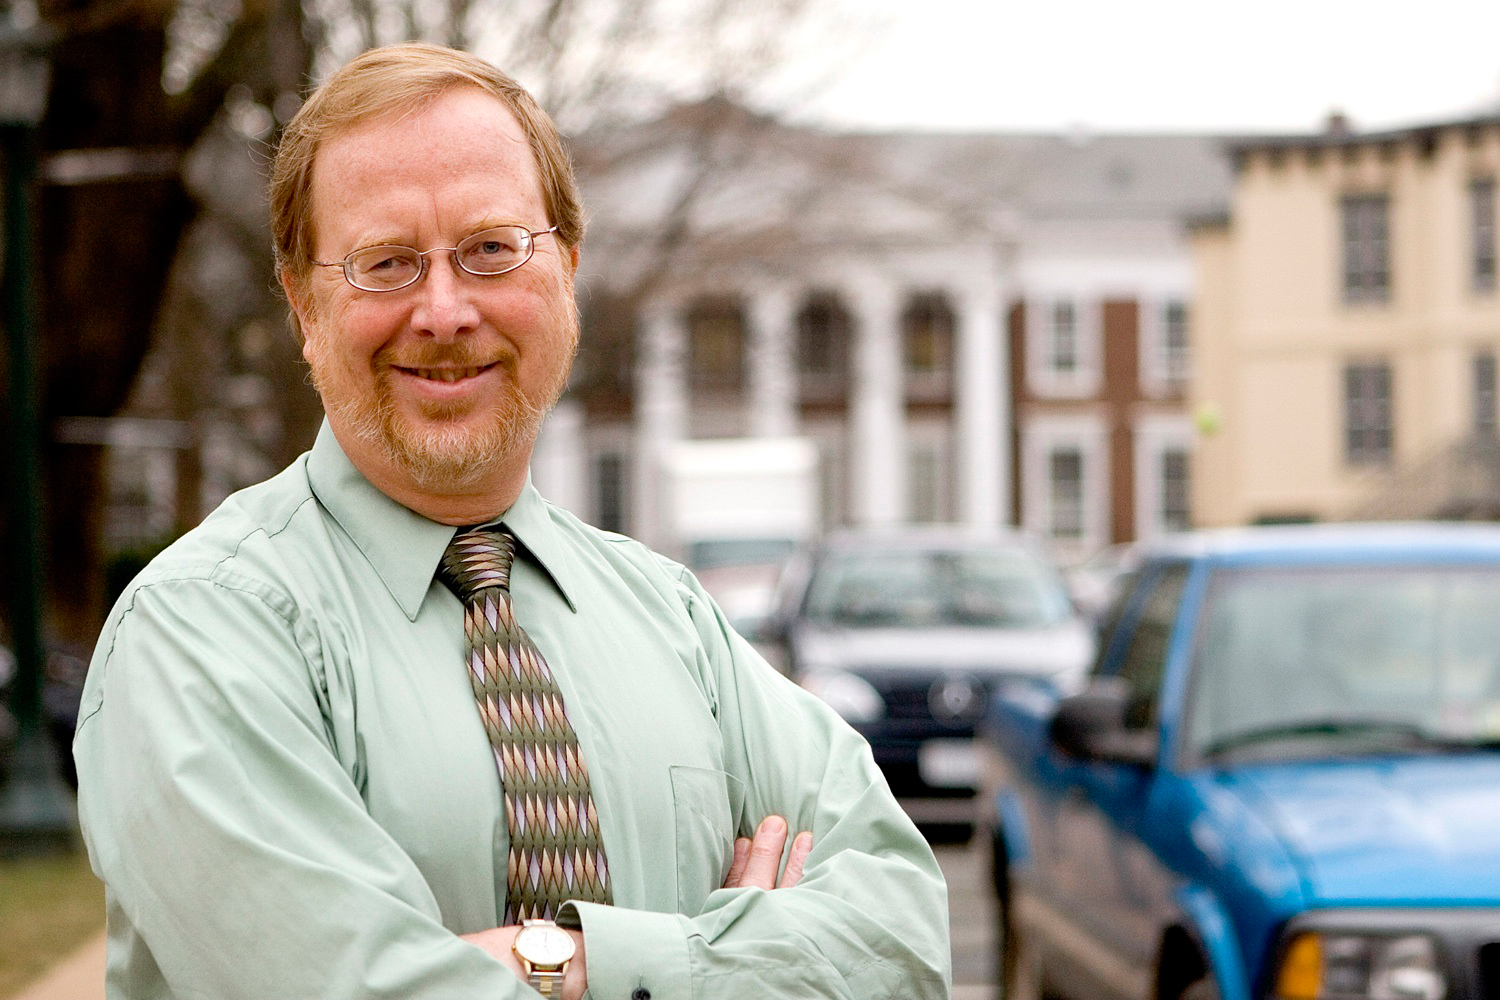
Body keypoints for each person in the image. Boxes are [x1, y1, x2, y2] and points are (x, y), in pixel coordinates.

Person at [74, 42, 950, 1000]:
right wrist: (732, 953)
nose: (444, 311)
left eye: (492, 250)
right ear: (302, 303)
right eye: (387, 262)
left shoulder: (673, 619)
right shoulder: (201, 630)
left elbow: (901, 942)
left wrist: (572, 963)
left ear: (567, 270)